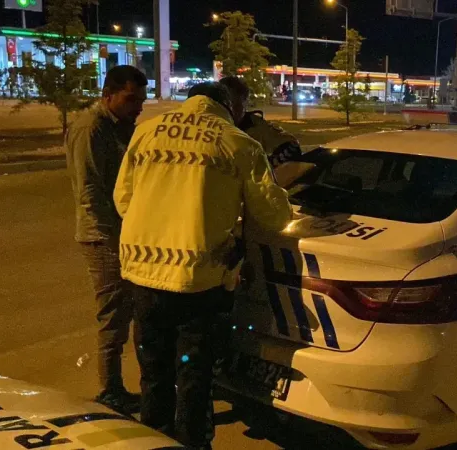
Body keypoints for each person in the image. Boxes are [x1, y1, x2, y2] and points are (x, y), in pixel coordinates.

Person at [113, 82, 293, 448]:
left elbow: (123, 200)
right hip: (198, 282)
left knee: (154, 371)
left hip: (143, 276)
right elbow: (273, 215)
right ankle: (192, 442)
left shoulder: (146, 131)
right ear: (227, 106)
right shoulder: (239, 143)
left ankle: (154, 439)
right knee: (194, 375)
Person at [65, 65, 148, 415]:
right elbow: (90, 192)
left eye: (141, 100)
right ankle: (109, 390)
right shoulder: (91, 128)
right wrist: (114, 243)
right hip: (103, 238)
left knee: (132, 311)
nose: (138, 107)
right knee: (113, 315)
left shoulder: (122, 126)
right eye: (131, 99)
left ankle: (123, 385)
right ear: (108, 95)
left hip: (124, 235)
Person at [218, 76, 302, 169]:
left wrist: (265, 167)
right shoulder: (209, 126)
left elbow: (292, 145)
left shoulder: (256, 126)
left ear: (245, 103)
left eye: (235, 105)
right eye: (224, 104)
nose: (230, 110)